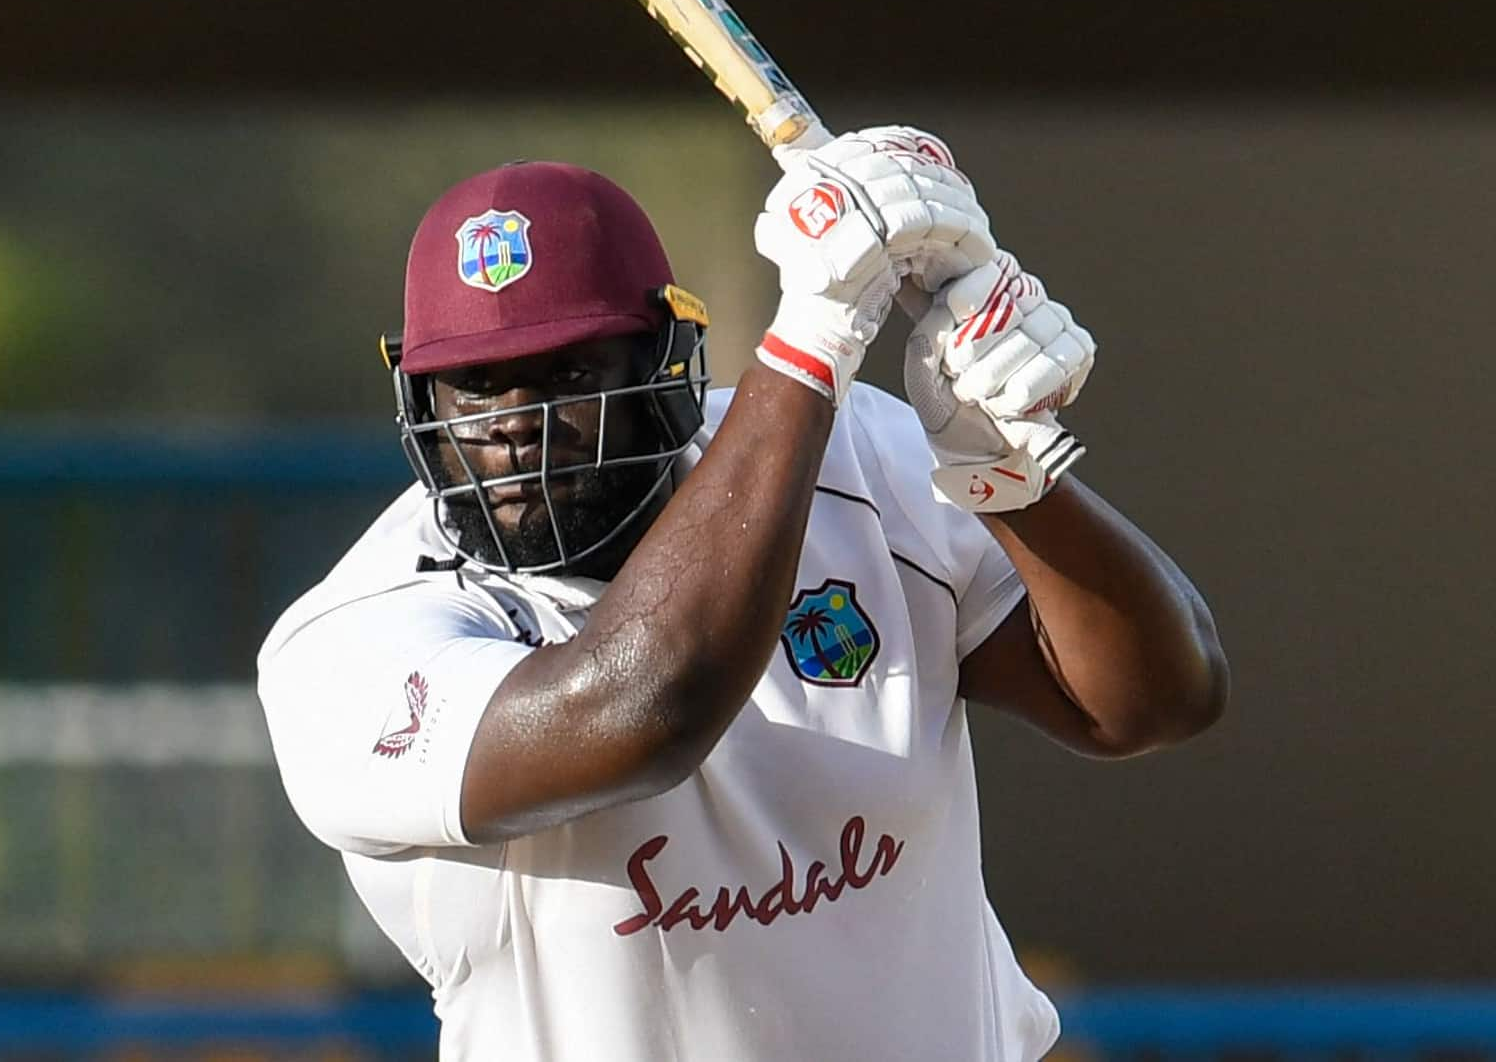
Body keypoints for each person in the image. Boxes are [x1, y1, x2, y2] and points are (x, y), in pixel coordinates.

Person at [256, 131, 1228, 1062]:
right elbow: (644, 709)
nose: (519, 424)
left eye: (567, 373)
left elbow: (1151, 700)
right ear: (421, 403)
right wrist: (812, 335)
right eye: (474, 386)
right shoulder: (352, 643)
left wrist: (1013, 478)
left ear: (662, 366)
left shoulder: (851, 453)